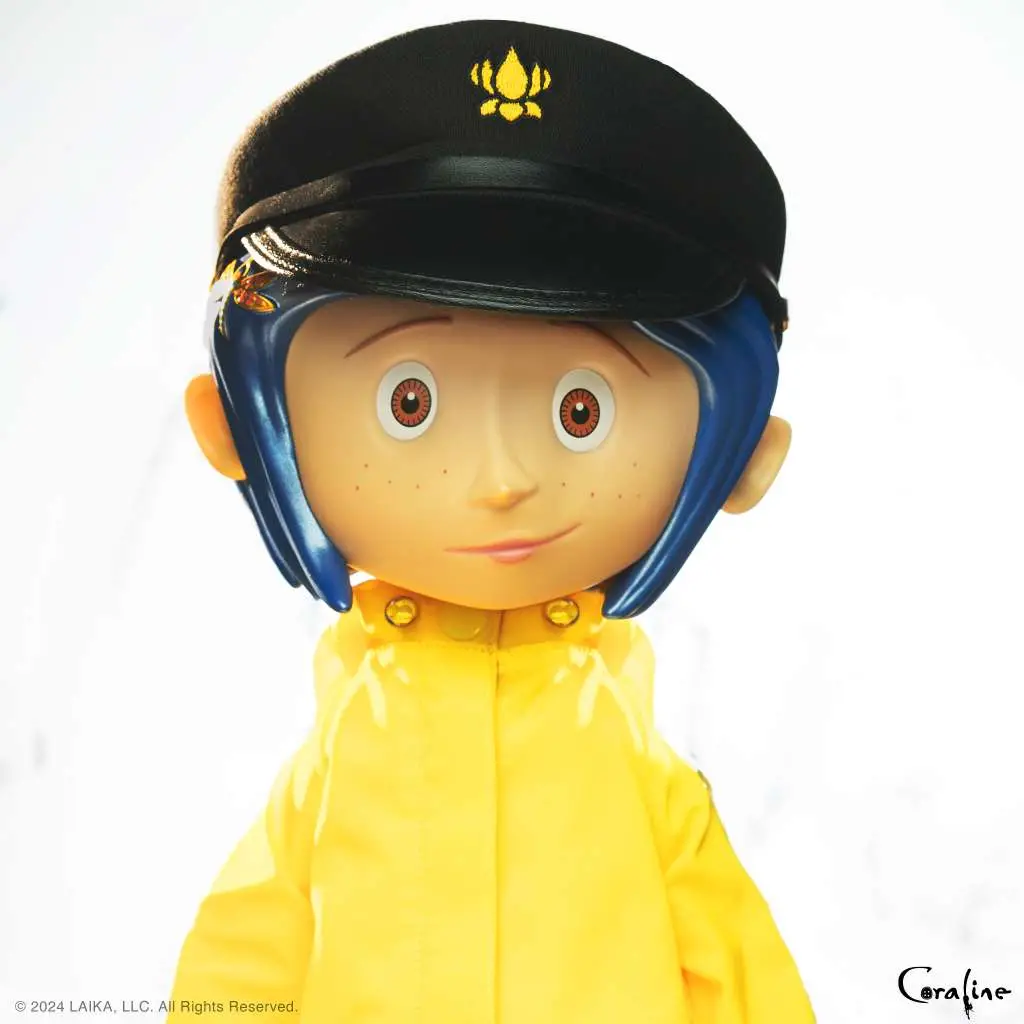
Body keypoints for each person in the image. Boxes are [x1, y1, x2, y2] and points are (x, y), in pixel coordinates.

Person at [171, 18, 815, 1023]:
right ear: (235, 430)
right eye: (410, 401)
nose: (503, 477)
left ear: (743, 460)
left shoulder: (639, 776)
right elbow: (243, 962)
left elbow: (740, 976)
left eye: (579, 411)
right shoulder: (337, 764)